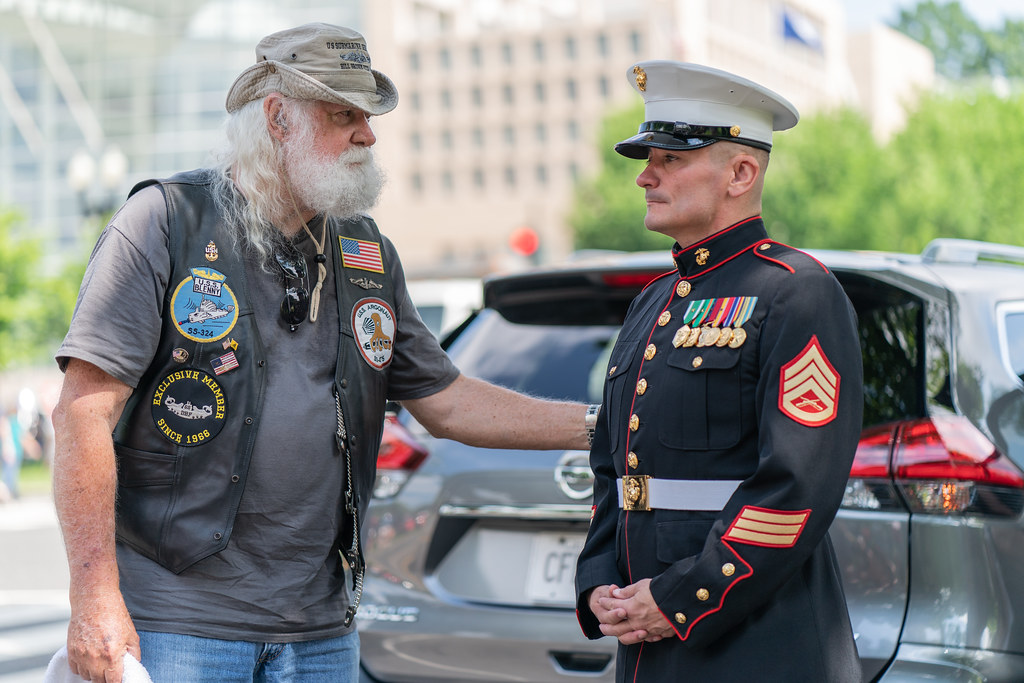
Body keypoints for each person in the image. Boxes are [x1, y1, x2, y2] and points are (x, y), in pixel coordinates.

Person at [52, 23, 595, 683]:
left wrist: (600, 424)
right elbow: (82, 413)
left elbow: (447, 401)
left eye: (366, 117)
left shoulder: (366, 254)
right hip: (178, 624)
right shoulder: (166, 222)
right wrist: (93, 595)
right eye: (343, 115)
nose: (367, 134)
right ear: (278, 117)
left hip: (321, 634)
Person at [574, 61, 864, 682]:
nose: (645, 176)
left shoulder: (796, 293)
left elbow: (794, 490)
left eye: (672, 158)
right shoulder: (654, 299)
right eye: (647, 157)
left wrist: (685, 598)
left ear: (741, 173)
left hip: (754, 637)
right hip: (646, 634)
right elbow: (616, 467)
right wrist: (599, 577)